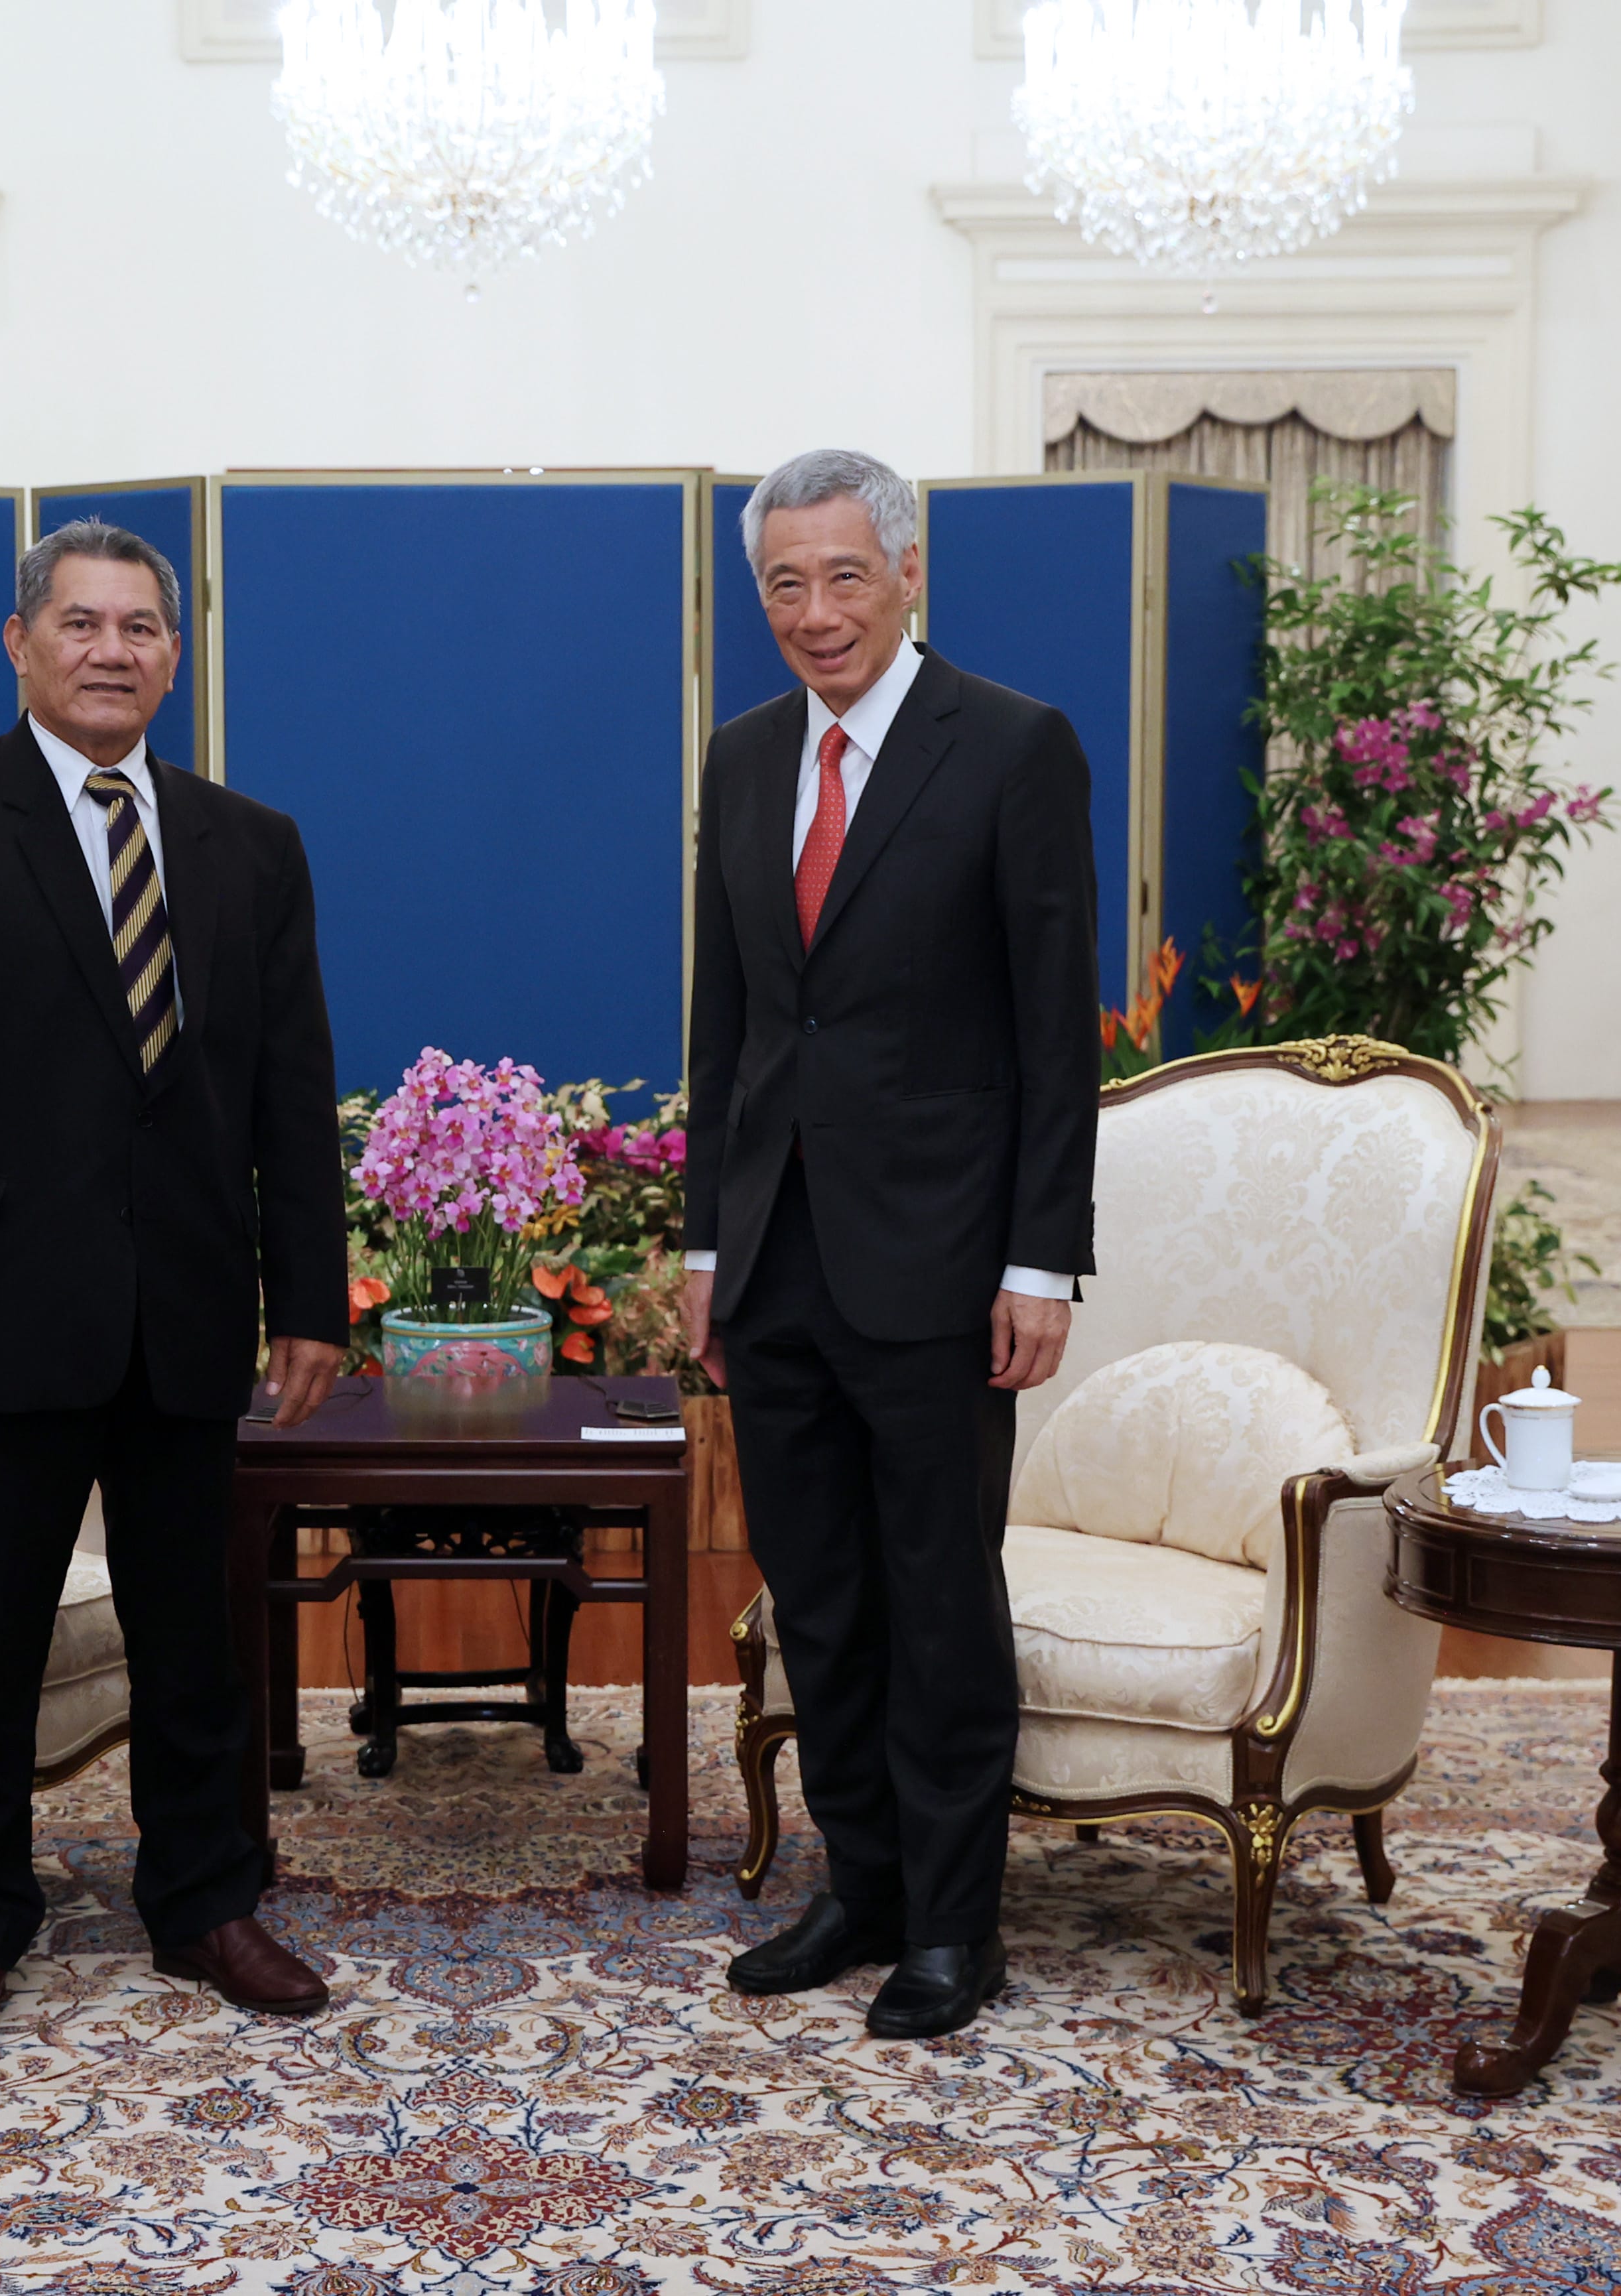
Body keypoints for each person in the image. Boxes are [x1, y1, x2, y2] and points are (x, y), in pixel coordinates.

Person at [0, 519, 351, 2057]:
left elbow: (287, 1093)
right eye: (82, 624)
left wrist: (307, 1298)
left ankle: (207, 1902)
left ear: (174, 656)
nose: (113, 650)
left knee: (200, 1634)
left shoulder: (253, 843)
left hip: (188, 1304)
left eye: (141, 628)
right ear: (21, 641)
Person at [682, 448, 1099, 2039]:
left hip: (942, 1262)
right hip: (776, 1263)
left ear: (909, 573)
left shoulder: (1010, 748)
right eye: (783, 582)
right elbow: (731, 1017)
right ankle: (859, 1884)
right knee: (822, 1595)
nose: (813, 611)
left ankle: (956, 1924)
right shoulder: (738, 758)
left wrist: (1040, 1259)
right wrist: (713, 1248)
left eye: (844, 575)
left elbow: (1058, 1034)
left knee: (937, 1595)